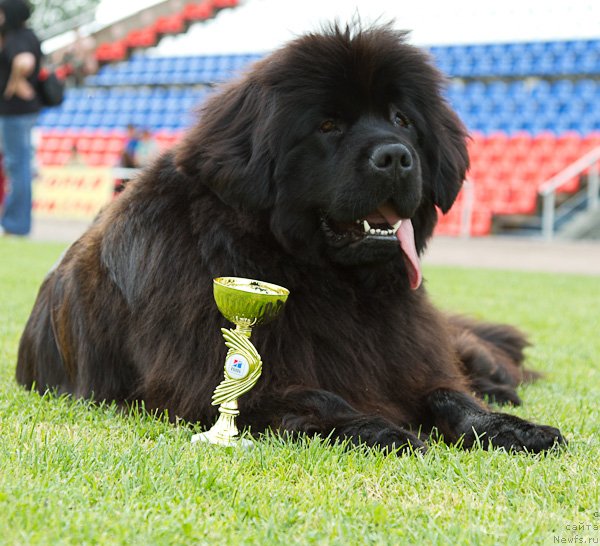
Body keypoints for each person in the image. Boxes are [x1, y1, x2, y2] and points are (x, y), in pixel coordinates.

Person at [0, 0, 41, 236]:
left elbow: (24, 61)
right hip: (21, 113)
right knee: (19, 166)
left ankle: (15, 224)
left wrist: (13, 84)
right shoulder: (24, 35)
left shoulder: (19, 37)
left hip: (15, 112)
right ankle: (16, 222)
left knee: (17, 167)